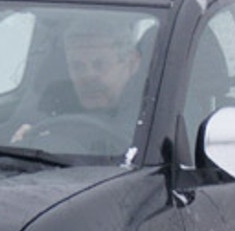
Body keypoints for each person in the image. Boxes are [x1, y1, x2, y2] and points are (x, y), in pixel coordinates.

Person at [12, 24, 144, 147]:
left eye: (100, 65)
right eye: (77, 66)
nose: (88, 76)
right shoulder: (51, 102)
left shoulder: (152, 116)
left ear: (132, 64)